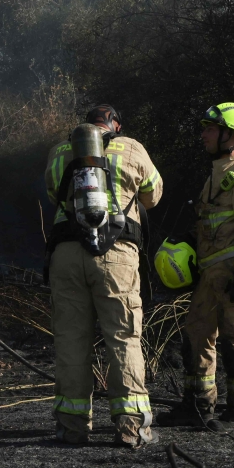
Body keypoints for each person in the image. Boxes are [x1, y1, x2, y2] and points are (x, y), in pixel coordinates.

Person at [45, 105, 163, 448]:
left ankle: (72, 426)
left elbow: (54, 192)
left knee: (70, 339)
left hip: (67, 254)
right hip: (117, 255)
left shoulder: (59, 152)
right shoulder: (133, 148)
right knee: (123, 337)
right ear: (115, 126)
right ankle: (131, 426)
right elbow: (153, 195)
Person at [157, 103, 234, 433]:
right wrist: (188, 239)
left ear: (231, 135)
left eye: (210, 128)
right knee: (196, 336)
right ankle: (197, 405)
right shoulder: (216, 175)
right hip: (210, 273)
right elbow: (213, 222)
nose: (203, 134)